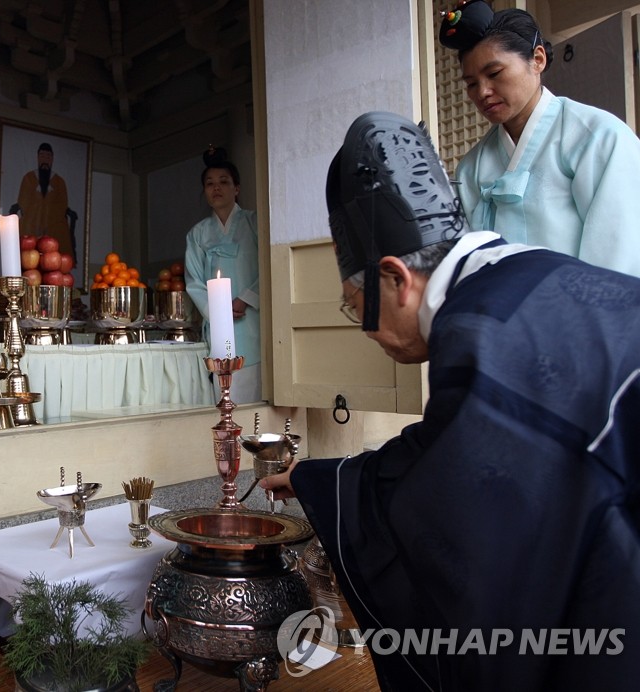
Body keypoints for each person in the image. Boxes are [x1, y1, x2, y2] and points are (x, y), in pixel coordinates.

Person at [261, 111, 640, 691]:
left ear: (395, 277)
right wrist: (320, 478)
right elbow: (448, 450)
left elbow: (462, 527)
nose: (365, 333)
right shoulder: (534, 271)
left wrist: (333, 494)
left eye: (353, 307)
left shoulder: (478, 332)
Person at [440, 0, 640, 276]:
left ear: (538, 59)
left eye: (494, 73)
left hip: (578, 313)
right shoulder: (472, 167)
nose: (482, 92)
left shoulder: (599, 138)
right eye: (472, 83)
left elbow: (618, 261)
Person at [184, 147, 261, 403]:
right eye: (210, 184)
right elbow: (194, 281)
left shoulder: (256, 223)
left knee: (254, 402)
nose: (216, 188)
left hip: (252, 324)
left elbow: (270, 268)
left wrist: (245, 299)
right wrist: (218, 310)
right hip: (219, 328)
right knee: (224, 402)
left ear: (236, 188)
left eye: (224, 182)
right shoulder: (198, 234)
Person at [11, 142, 78, 264]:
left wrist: (48, 215)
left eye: (48, 157)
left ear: (52, 159)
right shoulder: (29, 178)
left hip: (54, 221)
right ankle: (25, 261)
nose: (45, 160)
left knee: (60, 229)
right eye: (42, 156)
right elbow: (23, 201)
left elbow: (62, 204)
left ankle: (59, 263)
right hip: (32, 219)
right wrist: (37, 209)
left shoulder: (59, 181)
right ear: (37, 158)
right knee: (26, 226)